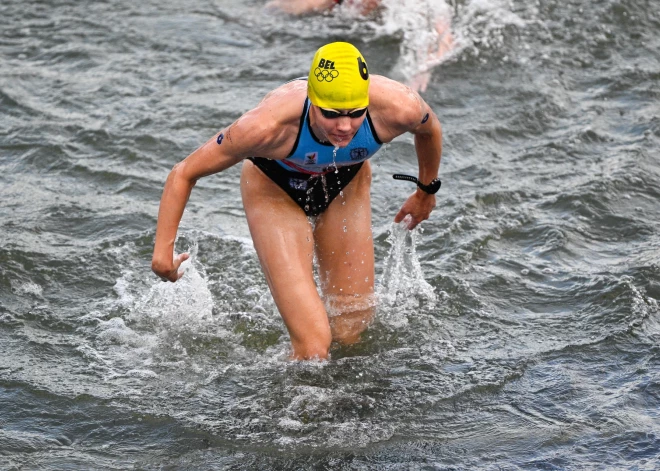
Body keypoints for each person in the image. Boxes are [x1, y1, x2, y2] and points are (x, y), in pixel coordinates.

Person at [151, 42, 442, 360]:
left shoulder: (399, 107)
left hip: (346, 185)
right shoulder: (265, 127)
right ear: (312, 101)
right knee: (314, 346)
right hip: (275, 189)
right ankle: (286, 409)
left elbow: (429, 131)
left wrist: (425, 192)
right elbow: (183, 173)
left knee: (352, 329)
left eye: (355, 113)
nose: (344, 127)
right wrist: (162, 254)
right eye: (331, 114)